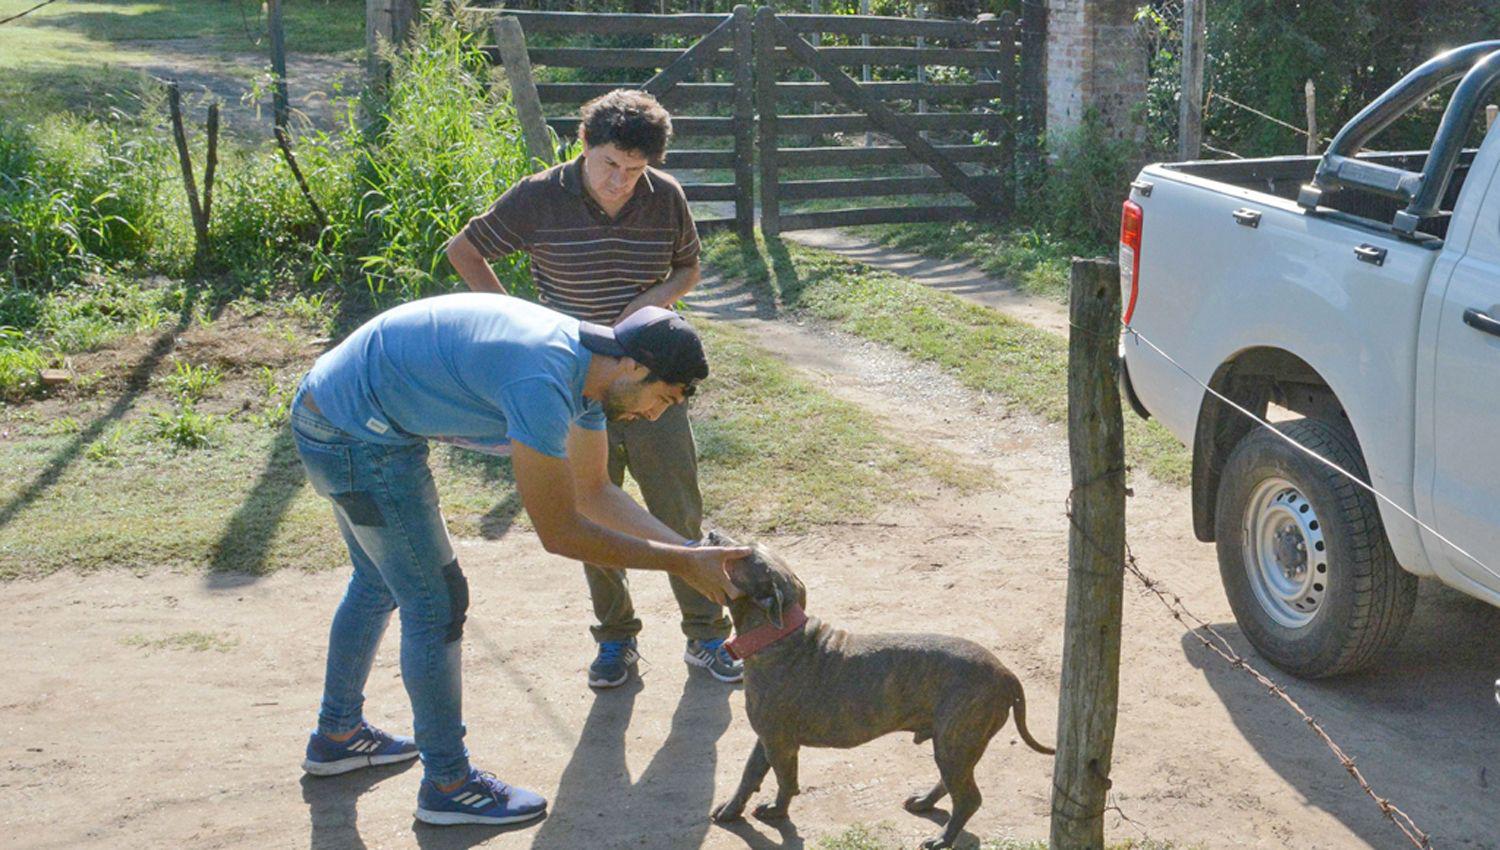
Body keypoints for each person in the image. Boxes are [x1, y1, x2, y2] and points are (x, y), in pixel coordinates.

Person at [292, 292, 749, 826]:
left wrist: (689, 552)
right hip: (354, 437)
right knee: (436, 604)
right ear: (634, 365)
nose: (652, 416)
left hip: (341, 413)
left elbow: (594, 491)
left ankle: (338, 735)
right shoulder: (543, 382)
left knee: (378, 584)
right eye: (663, 399)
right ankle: (448, 785)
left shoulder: (589, 375)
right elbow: (561, 531)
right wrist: (676, 564)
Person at [446, 88, 742, 689]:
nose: (621, 182)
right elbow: (464, 250)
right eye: (611, 165)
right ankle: (615, 640)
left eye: (636, 170)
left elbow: (689, 268)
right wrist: (516, 323)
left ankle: (706, 636)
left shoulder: (667, 199)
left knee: (676, 505)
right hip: (575, 380)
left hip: (652, 376)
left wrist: (646, 304)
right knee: (591, 506)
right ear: (584, 145)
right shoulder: (538, 196)